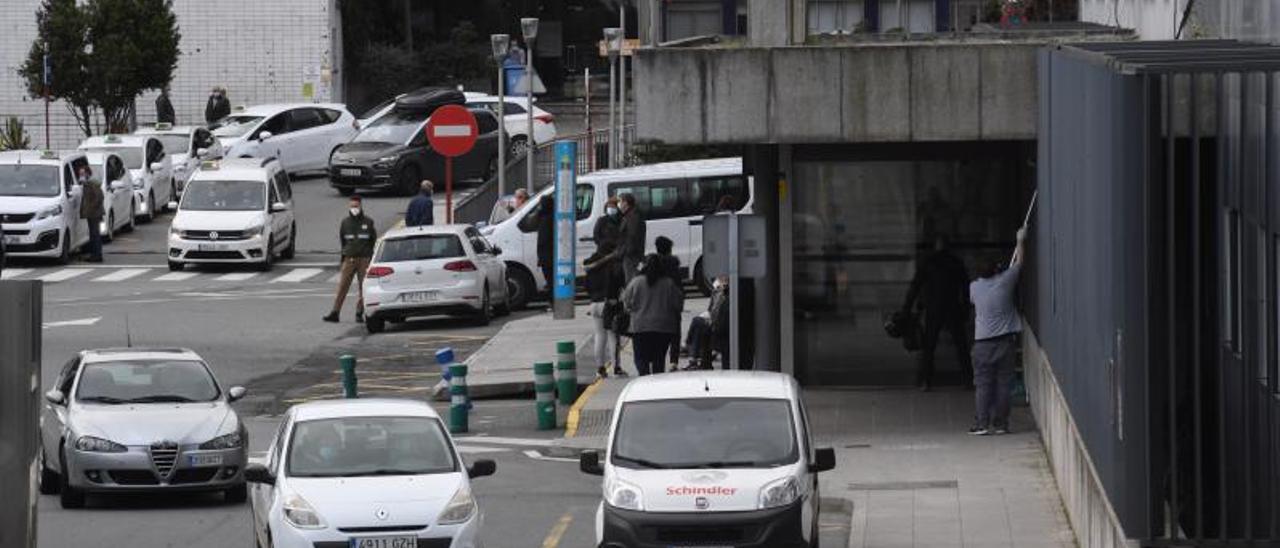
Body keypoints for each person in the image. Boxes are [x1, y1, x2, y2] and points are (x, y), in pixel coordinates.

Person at [968, 226, 1028, 436]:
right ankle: (1001, 424)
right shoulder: (1005, 282)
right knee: (1004, 384)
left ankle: (982, 424)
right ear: (996, 268)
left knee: (983, 385)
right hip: (1005, 343)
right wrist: (1020, 240)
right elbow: (1019, 263)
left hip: (982, 343)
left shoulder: (974, 288)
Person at [902, 235, 972, 392]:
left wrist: (907, 308)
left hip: (934, 309)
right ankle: (968, 379)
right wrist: (966, 308)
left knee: (929, 346)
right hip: (952, 307)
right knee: (961, 345)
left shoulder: (928, 262)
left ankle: (926, 380)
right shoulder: (955, 262)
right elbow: (966, 288)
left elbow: (915, 286)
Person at [622, 253, 684, 376]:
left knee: (640, 359)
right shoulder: (669, 283)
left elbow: (626, 303)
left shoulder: (636, 282)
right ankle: (656, 381)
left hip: (640, 327)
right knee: (659, 360)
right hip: (664, 327)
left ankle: (644, 378)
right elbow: (678, 305)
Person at [584, 196, 625, 377]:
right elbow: (619, 283)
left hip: (594, 303)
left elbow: (586, 285)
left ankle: (600, 368)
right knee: (612, 336)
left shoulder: (590, 264)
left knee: (598, 335)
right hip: (610, 302)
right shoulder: (615, 266)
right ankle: (616, 367)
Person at [323, 196, 377, 323]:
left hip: (364, 259)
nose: (354, 209)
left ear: (361, 206)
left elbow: (372, 240)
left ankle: (359, 312)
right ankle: (335, 312)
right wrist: (343, 256)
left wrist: (369, 256)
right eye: (352, 206)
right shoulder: (345, 222)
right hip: (349, 258)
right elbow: (343, 240)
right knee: (342, 286)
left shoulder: (368, 222)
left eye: (356, 206)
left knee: (363, 287)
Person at [612, 193, 646, 283]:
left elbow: (632, 236)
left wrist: (624, 251)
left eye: (620, 201)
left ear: (626, 203)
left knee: (631, 280)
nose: (618, 204)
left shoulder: (632, 216)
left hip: (631, 256)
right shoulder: (629, 215)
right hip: (631, 254)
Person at [77, 166, 105, 263]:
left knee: (95, 234)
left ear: (87, 173)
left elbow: (99, 197)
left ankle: (97, 256)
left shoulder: (92, 183)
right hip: (92, 213)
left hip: (94, 213)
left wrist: (91, 208)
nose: (81, 176)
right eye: (80, 174)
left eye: (82, 173)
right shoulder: (86, 184)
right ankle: (95, 254)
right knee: (93, 234)